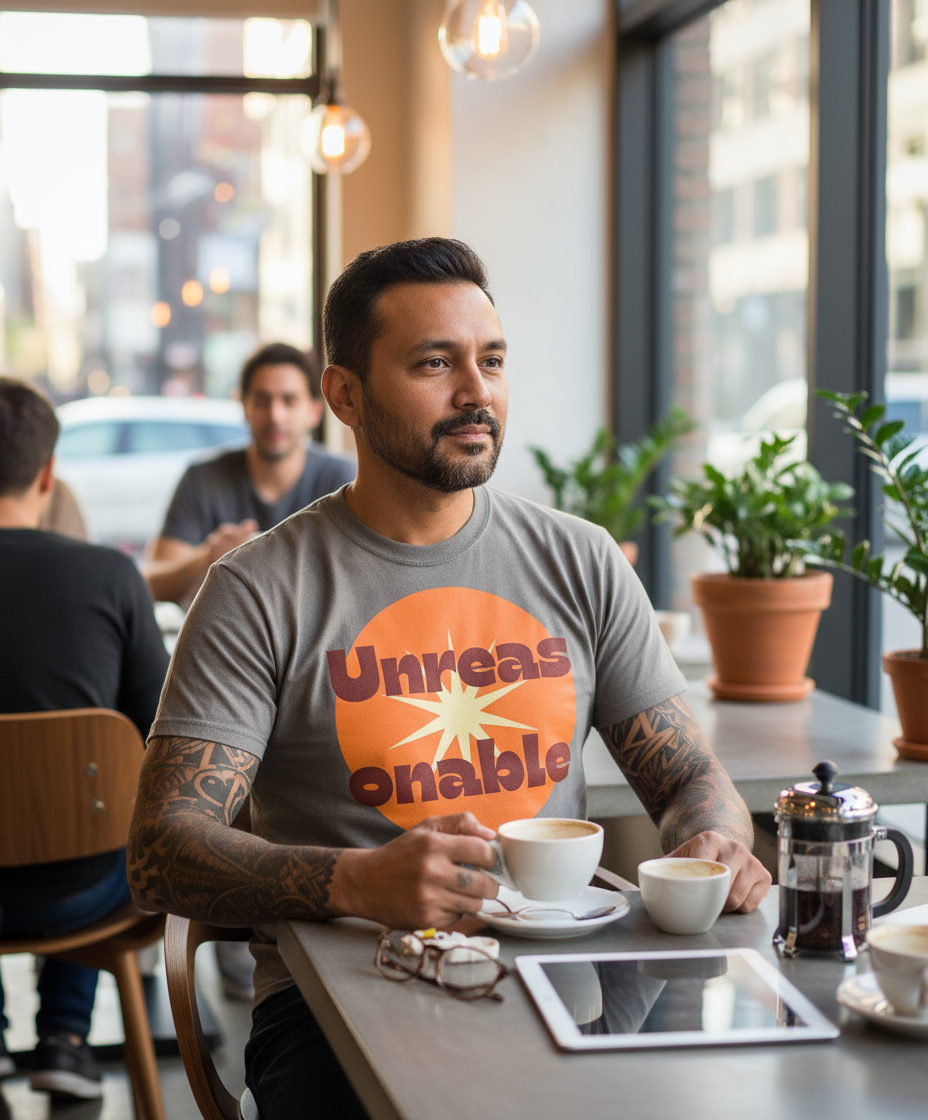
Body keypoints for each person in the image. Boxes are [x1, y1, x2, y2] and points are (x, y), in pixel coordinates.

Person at [128, 239, 771, 1119]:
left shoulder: (580, 560)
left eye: (492, 361)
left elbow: (691, 777)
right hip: (339, 1007)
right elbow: (161, 848)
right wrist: (356, 883)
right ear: (344, 395)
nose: (478, 392)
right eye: (436, 363)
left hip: (572, 984)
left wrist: (714, 842)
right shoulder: (257, 589)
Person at [0, 378, 169, 1099]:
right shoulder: (110, 576)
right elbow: (164, 732)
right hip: (83, 893)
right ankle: (65, 1040)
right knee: (92, 805)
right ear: (47, 473)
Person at [144, 342, 355, 607]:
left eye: (289, 401)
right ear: (243, 406)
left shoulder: (343, 478)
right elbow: (152, 583)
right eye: (262, 401)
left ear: (314, 412)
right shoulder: (203, 478)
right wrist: (208, 557)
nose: (275, 415)